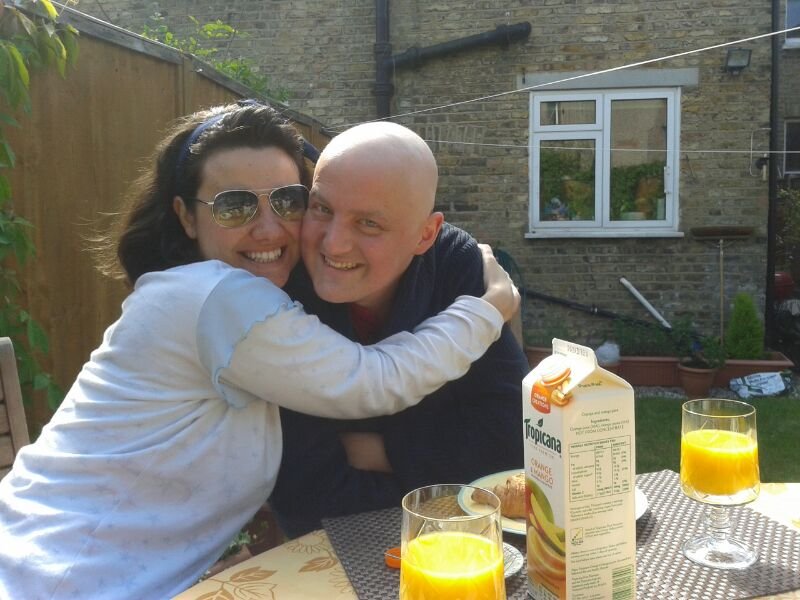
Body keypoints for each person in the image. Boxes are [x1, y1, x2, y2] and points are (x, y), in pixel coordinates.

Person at [0, 102, 519, 599]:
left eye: (288, 201)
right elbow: (373, 382)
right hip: (50, 574)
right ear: (186, 217)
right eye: (235, 206)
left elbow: (508, 435)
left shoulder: (246, 298)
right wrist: (488, 309)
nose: (269, 227)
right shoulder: (220, 297)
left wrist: (381, 451)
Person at [270, 121, 528, 537]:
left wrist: (382, 450)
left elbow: (510, 444)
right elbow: (301, 485)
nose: (333, 244)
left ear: (426, 234)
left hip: (457, 543)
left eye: (369, 223)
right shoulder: (280, 287)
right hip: (318, 551)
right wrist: (437, 454)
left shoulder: (456, 265)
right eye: (322, 209)